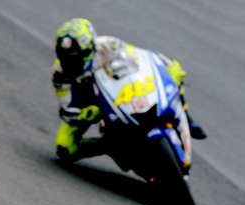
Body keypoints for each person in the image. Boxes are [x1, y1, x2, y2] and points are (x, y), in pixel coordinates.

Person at [52, 18, 207, 162]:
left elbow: (138, 57)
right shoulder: (59, 74)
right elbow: (66, 109)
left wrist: (164, 65)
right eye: (66, 57)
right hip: (88, 106)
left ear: (89, 48)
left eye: (75, 57)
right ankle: (107, 146)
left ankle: (187, 117)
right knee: (64, 148)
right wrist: (84, 114)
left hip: (116, 91)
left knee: (174, 73)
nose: (70, 62)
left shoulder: (107, 46)